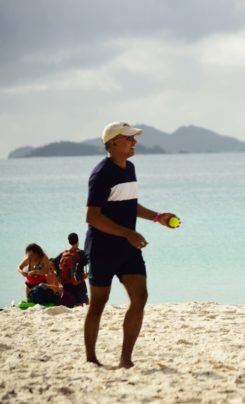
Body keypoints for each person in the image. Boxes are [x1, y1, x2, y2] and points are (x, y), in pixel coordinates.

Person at [84, 121, 179, 369]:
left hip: (127, 248)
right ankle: (91, 360)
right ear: (114, 142)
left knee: (140, 298)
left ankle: (126, 360)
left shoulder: (130, 169)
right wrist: (127, 233)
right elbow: (92, 216)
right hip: (102, 249)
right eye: (130, 138)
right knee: (98, 304)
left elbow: (129, 205)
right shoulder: (101, 174)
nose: (134, 142)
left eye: (134, 138)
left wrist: (158, 217)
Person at [55, 232, 90, 307]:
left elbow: (53, 262)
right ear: (78, 241)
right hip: (77, 284)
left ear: (69, 242)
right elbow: (92, 261)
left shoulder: (64, 253)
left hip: (65, 284)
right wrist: (88, 274)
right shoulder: (82, 253)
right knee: (85, 302)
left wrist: (58, 274)